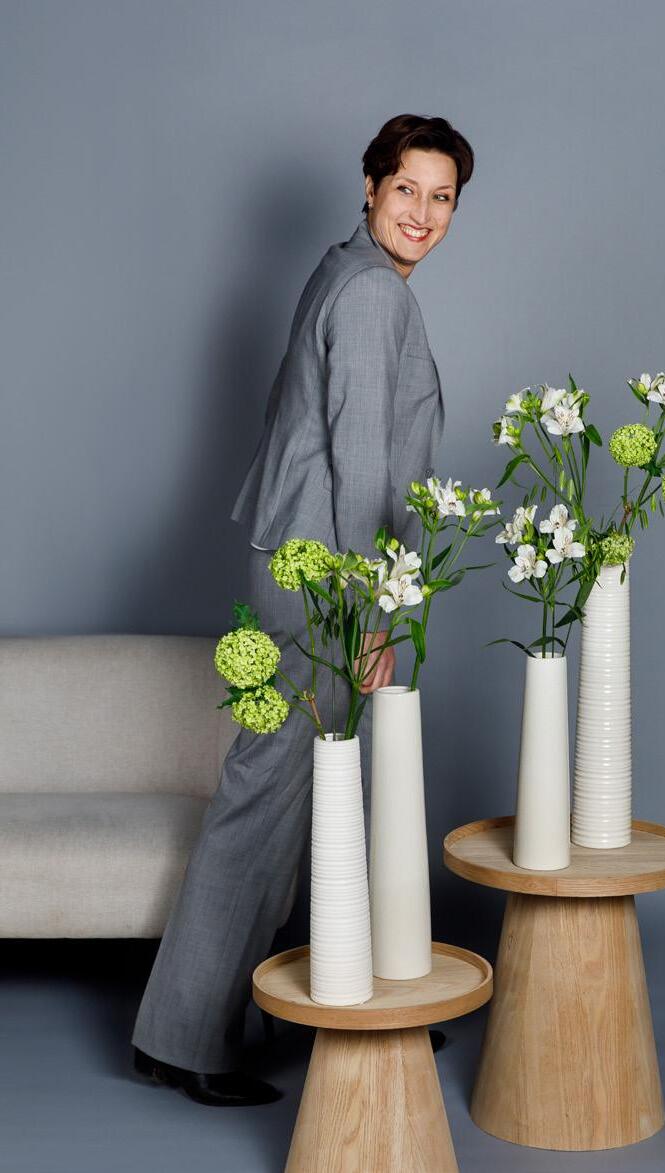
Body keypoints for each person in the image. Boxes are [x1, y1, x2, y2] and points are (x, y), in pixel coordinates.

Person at [131, 113, 475, 1106]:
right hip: (325, 577)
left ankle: (312, 1002)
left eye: (441, 197)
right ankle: (186, 1039)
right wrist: (373, 611)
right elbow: (362, 466)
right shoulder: (371, 294)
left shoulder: (342, 269)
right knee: (268, 797)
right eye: (406, 189)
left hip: (300, 559)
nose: (422, 213)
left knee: (301, 800)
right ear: (370, 187)